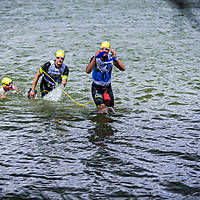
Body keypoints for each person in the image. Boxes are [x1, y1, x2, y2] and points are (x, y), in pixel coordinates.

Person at [86, 41, 125, 113]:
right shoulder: (95, 59)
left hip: (108, 88)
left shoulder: (111, 59)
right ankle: (99, 120)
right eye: (102, 49)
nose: (104, 51)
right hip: (97, 87)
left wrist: (115, 57)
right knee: (103, 110)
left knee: (111, 110)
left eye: (106, 49)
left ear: (109, 50)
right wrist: (95, 58)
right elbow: (88, 71)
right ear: (100, 50)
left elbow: (123, 68)